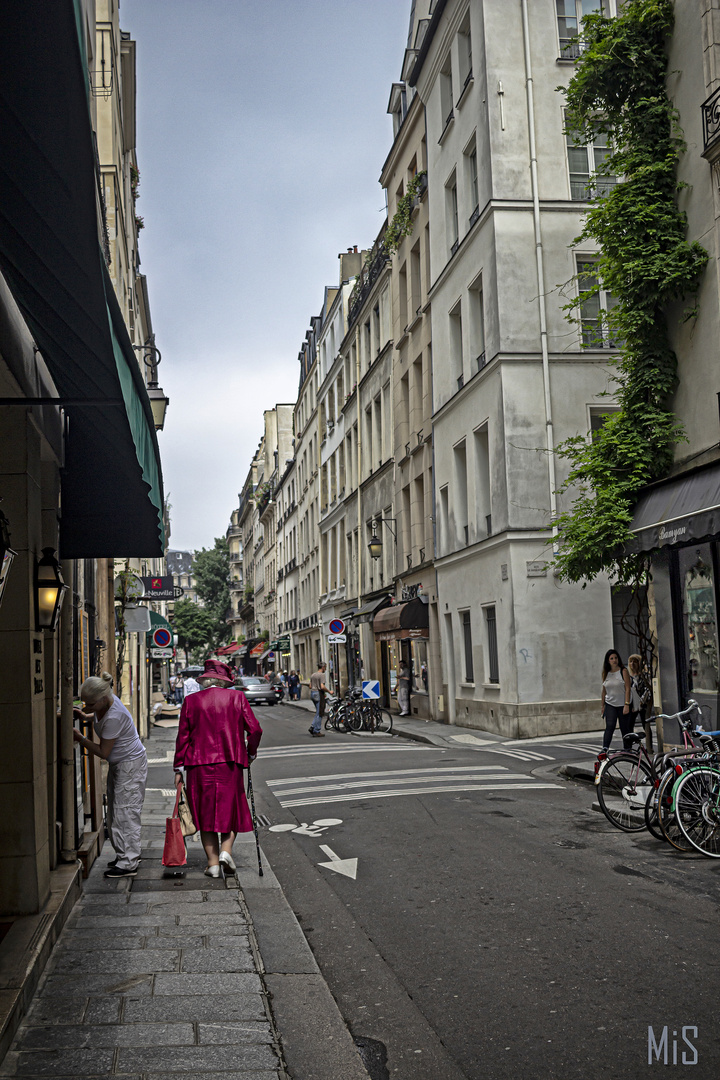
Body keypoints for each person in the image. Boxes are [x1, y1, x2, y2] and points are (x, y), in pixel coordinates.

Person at [173, 658, 262, 878]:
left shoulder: (191, 701)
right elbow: (256, 730)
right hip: (229, 764)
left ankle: (212, 864)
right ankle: (226, 851)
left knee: (204, 814)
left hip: (198, 765)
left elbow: (182, 736)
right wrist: (250, 753)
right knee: (230, 810)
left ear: (205, 680)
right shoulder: (237, 697)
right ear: (224, 681)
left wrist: (178, 768)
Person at [72, 672, 148, 879]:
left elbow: (103, 753)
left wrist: (80, 738)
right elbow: (98, 716)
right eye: (84, 703)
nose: (87, 707)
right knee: (116, 811)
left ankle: (128, 862)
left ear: (104, 698)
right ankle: (125, 855)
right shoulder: (106, 704)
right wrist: (87, 716)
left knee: (125, 812)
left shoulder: (114, 715)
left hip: (130, 766)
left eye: (90, 704)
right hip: (122, 764)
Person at [600, 648, 633, 751]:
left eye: (615, 658)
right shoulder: (606, 673)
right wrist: (602, 705)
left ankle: (627, 749)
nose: (614, 660)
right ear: (608, 661)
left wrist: (626, 704)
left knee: (625, 728)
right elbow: (604, 690)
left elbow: (628, 688)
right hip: (610, 703)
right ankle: (605, 748)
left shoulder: (623, 671)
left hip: (623, 704)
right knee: (610, 726)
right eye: (611, 658)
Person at [309, 662, 329, 737]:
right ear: (323, 667)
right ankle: (316, 730)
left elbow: (310, 686)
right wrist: (329, 691)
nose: (326, 669)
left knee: (317, 712)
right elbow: (322, 686)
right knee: (320, 712)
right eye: (325, 667)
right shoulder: (322, 675)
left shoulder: (313, 675)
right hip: (318, 693)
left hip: (313, 693)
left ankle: (312, 727)